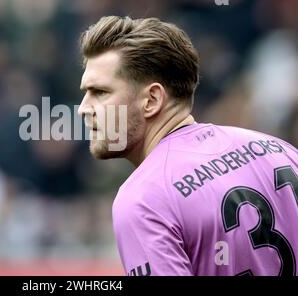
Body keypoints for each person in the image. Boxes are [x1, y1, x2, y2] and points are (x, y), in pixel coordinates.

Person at [77, 16, 298, 276]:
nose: (83, 108)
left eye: (100, 92)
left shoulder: (142, 200)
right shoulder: (278, 150)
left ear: (151, 100)